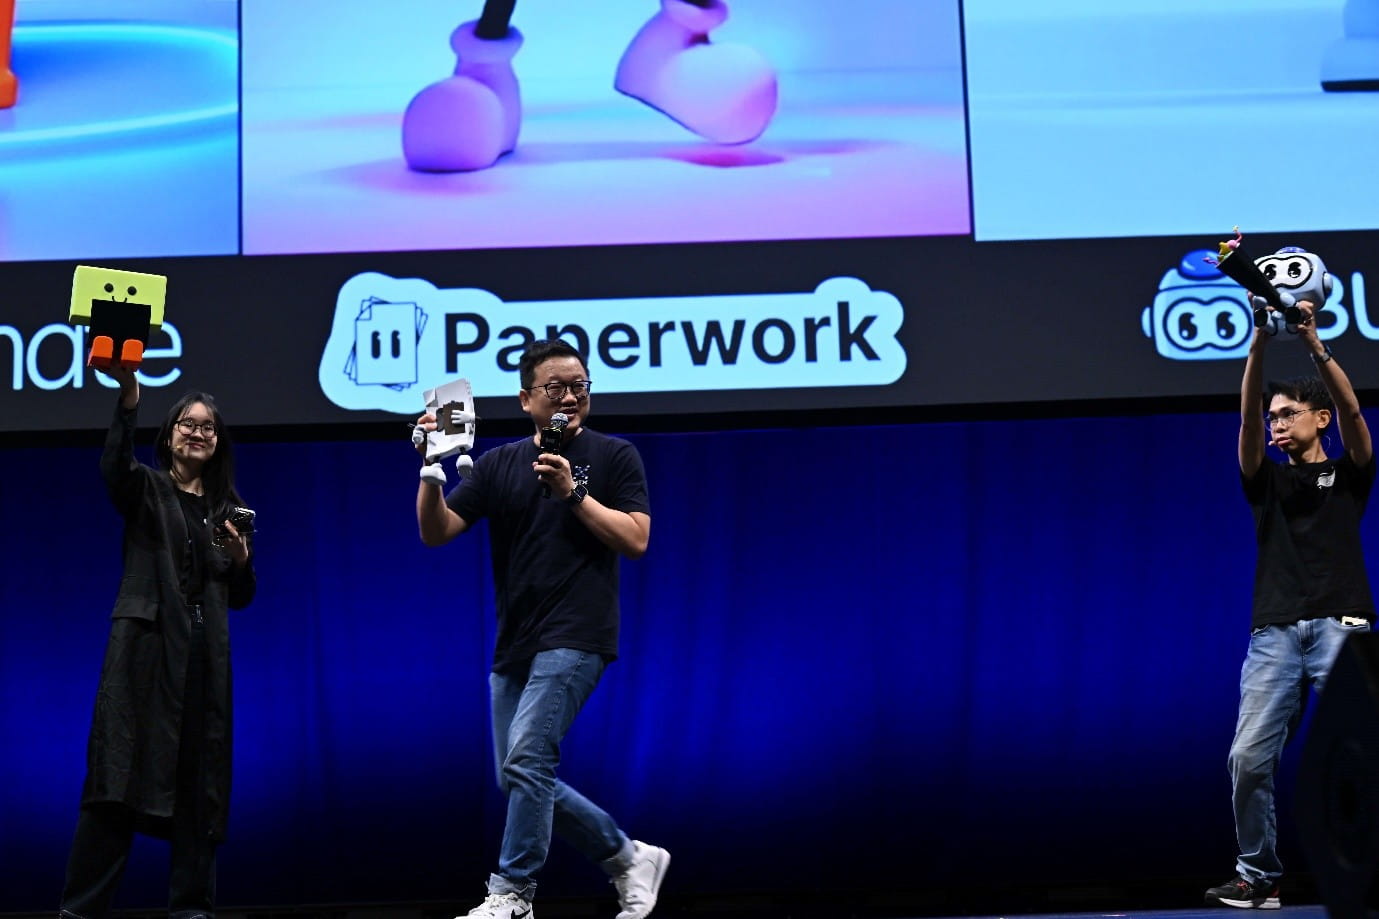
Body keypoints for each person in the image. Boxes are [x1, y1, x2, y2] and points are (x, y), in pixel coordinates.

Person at [414, 339, 668, 919]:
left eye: (580, 385)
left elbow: (636, 539)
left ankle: (512, 893)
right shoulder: (501, 463)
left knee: (527, 760)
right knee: (518, 776)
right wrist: (431, 468)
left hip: (578, 634)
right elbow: (437, 530)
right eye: (556, 388)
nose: (570, 396)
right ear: (526, 398)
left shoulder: (614, 455)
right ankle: (629, 857)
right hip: (516, 643)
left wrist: (573, 492)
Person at [59, 367, 256, 919]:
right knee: (116, 781)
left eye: (209, 428)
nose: (198, 432)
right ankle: (80, 910)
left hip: (202, 658)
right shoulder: (146, 487)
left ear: (218, 444)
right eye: (187, 424)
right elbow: (113, 467)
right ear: (168, 434)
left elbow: (241, 595)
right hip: (144, 653)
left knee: (199, 784)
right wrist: (128, 395)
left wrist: (241, 560)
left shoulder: (227, 510)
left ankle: (192, 909)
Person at [1205, 303, 1375, 909]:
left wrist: (1312, 341)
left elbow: (1355, 411)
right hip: (1274, 633)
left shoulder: (1351, 473)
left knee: (1370, 747)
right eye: (1272, 417)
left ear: (1319, 419)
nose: (1276, 425)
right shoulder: (1266, 482)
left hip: (1342, 626)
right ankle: (1259, 876)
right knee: (1247, 759)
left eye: (1288, 414)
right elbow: (1246, 421)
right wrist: (1257, 342)